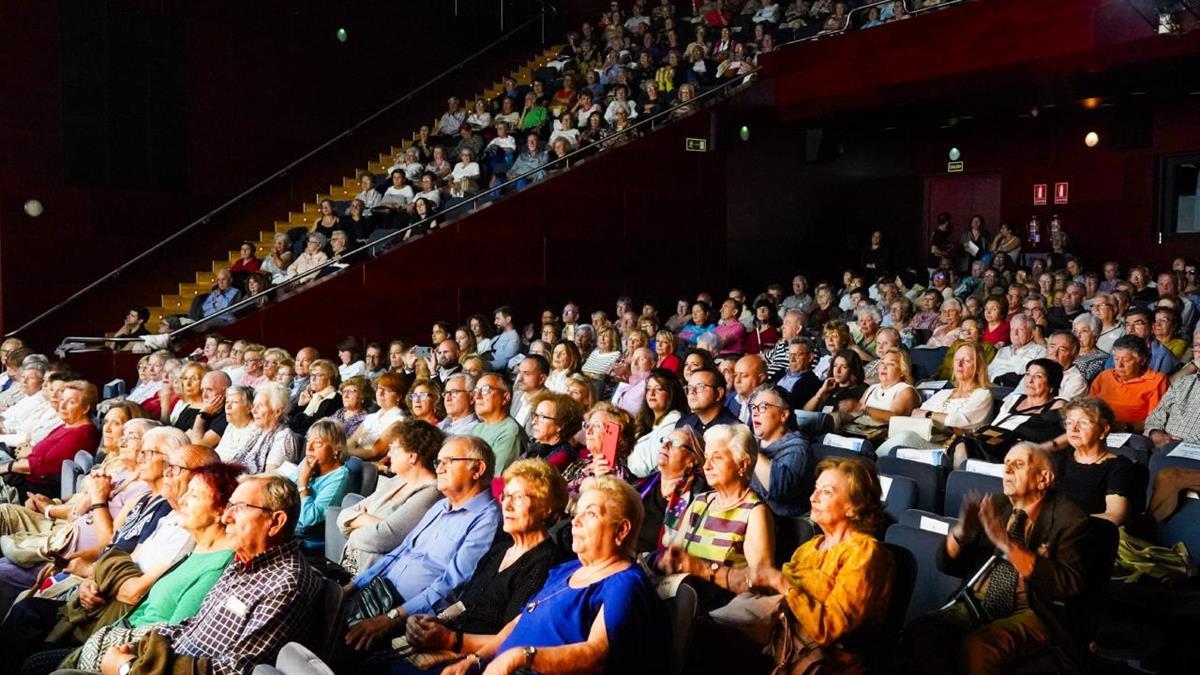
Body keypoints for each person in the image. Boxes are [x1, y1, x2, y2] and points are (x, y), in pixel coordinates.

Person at [900, 443, 1116, 674]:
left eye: (1019, 464)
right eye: (1006, 463)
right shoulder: (997, 504)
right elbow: (948, 565)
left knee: (980, 646)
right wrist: (962, 531)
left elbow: (1067, 583)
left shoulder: (1070, 518)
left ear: (1044, 478)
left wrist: (1006, 543)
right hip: (978, 602)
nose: (1008, 470)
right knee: (923, 630)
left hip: (1034, 610)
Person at [440, 474, 668, 675]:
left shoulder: (624, 583)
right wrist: (476, 659)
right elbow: (518, 623)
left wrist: (523, 656)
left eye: (590, 514)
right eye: (577, 513)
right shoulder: (566, 569)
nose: (575, 522)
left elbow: (596, 655)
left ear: (621, 530)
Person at [97, 474, 321, 675]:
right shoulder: (242, 563)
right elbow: (193, 625)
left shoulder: (286, 585)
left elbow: (233, 670)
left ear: (275, 522)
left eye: (240, 507)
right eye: (229, 506)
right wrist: (141, 648)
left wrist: (128, 670)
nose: (226, 517)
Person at [44, 463, 241, 674]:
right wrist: (94, 577)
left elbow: (173, 639)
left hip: (130, 653)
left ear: (222, 511)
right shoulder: (195, 549)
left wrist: (122, 664)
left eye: (193, 495)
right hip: (112, 631)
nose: (182, 500)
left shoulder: (217, 566)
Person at [387, 459, 567, 673]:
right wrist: (431, 621)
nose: (507, 506)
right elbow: (464, 604)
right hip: (451, 639)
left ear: (547, 509)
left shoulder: (545, 564)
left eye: (518, 498)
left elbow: (511, 638)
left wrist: (450, 639)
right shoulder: (501, 549)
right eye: (505, 496)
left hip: (479, 660)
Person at [343, 436, 500, 655]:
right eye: (439, 462)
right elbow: (400, 552)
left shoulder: (487, 519)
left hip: (409, 615)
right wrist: (353, 586)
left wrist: (392, 618)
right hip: (378, 593)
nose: (440, 468)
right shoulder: (440, 506)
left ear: (478, 469)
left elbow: (452, 585)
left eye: (449, 461)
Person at [336, 421, 444, 575]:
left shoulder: (431, 492)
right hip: (349, 568)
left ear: (412, 456)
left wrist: (355, 525)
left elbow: (383, 538)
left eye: (393, 449)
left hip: (374, 582)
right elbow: (343, 515)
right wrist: (370, 521)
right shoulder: (398, 479)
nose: (388, 454)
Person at [877, 343, 993, 457]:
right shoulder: (944, 393)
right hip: (928, 440)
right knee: (900, 437)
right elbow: (916, 414)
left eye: (967, 360)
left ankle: (871, 461)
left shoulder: (983, 395)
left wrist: (929, 414)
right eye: (957, 359)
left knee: (905, 438)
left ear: (979, 367)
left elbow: (959, 421)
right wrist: (941, 419)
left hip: (953, 447)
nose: (960, 364)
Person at [954, 359, 1067, 467]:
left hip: (1017, 452)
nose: (1030, 380)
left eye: (1038, 376)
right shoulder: (1015, 399)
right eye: (1027, 374)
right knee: (960, 445)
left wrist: (1044, 447)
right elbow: (996, 425)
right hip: (990, 444)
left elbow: (1070, 434)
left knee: (963, 448)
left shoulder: (1059, 405)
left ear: (1051, 383)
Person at [0, 380, 100, 500]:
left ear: (85, 408)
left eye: (71, 402)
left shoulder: (83, 434)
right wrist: (32, 451)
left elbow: (41, 466)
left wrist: (6, 467)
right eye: (62, 400)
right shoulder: (67, 425)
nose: (62, 406)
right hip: (20, 476)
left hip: (33, 491)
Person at [1052, 397, 1143, 526]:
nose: (1074, 429)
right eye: (1069, 422)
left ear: (1104, 430)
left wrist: (1065, 524)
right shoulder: (1058, 459)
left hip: (1090, 534)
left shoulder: (1118, 467)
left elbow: (1114, 515)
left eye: (1083, 422)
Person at [748, 384, 815, 517]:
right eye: (753, 407)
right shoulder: (754, 442)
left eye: (763, 407)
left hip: (780, 526)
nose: (754, 413)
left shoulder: (799, 449)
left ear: (784, 414)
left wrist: (748, 448)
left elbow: (779, 489)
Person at [287, 419, 351, 553]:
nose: (309, 448)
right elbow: (285, 488)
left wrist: (303, 483)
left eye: (317, 443)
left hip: (302, 538)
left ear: (336, 450)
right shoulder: (310, 462)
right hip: (286, 523)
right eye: (308, 441)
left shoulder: (340, 476)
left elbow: (308, 520)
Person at [1088, 335, 1168, 433]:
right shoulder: (1105, 376)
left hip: (1130, 433)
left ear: (1142, 360)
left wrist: (1125, 427)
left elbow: (1155, 421)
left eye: (1126, 360)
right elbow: (1089, 407)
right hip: (1097, 430)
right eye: (1116, 359)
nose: (1119, 365)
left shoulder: (1157, 380)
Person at [836, 348, 920, 441]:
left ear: (902, 372)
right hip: (861, 435)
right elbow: (856, 412)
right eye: (882, 363)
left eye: (890, 364)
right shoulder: (873, 388)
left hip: (885, 440)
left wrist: (864, 409)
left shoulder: (905, 390)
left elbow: (893, 417)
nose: (884, 367)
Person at [562, 404, 636, 502]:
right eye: (587, 425)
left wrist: (601, 480)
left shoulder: (615, 473)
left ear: (617, 436)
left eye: (597, 426)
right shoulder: (580, 463)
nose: (588, 431)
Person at [628, 370, 688, 478]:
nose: (651, 393)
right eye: (648, 389)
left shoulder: (675, 425)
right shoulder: (644, 422)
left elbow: (648, 466)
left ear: (671, 394)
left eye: (659, 389)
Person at [1145, 329, 1200, 446]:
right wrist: (1155, 433)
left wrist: (1184, 445)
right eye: (1197, 345)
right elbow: (1156, 416)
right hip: (1163, 448)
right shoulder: (1184, 381)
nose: (1199, 350)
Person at [232, 383, 299, 473]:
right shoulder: (257, 432)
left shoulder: (284, 437)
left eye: (260, 406)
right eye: (254, 406)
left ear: (277, 411)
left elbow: (269, 477)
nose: (253, 411)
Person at [347, 372, 408, 460]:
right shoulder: (370, 417)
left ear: (399, 396)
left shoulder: (399, 421)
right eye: (379, 388)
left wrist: (344, 452)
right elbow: (352, 441)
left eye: (387, 390)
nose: (380, 393)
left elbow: (374, 452)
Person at [470, 373, 523, 473]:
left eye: (485, 390)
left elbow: (494, 476)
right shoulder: (477, 428)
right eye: (476, 390)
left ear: (505, 397)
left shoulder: (510, 431)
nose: (477, 396)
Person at [521, 391, 582, 472]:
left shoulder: (562, 457)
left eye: (541, 417)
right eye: (535, 415)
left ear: (560, 425)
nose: (533, 422)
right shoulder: (538, 446)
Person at [987, 314, 1048, 386]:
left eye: (1020, 330)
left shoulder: (1040, 352)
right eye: (1012, 329)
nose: (1015, 333)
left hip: (1014, 390)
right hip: (992, 388)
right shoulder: (1003, 351)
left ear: (1031, 334)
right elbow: (988, 373)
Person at [676, 367, 739, 435]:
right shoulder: (683, 422)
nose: (692, 392)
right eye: (689, 388)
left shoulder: (733, 430)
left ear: (719, 393)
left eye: (699, 386)